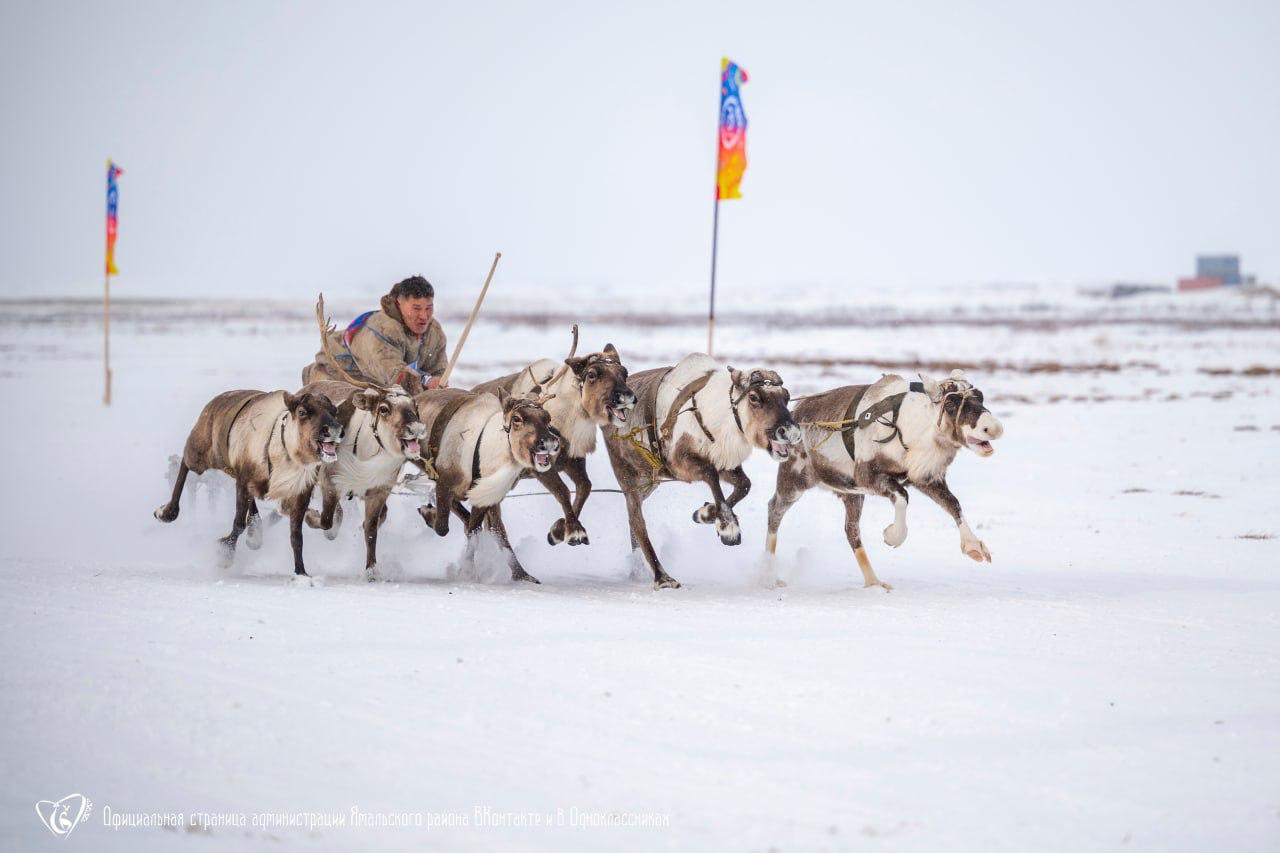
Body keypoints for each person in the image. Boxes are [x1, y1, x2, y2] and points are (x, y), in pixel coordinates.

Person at [303, 275, 448, 394]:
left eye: (429, 308)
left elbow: (438, 370)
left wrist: (438, 380)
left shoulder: (433, 331)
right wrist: (426, 381)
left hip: (377, 385)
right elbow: (392, 375)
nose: (424, 316)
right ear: (399, 303)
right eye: (416, 308)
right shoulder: (381, 329)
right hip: (336, 375)